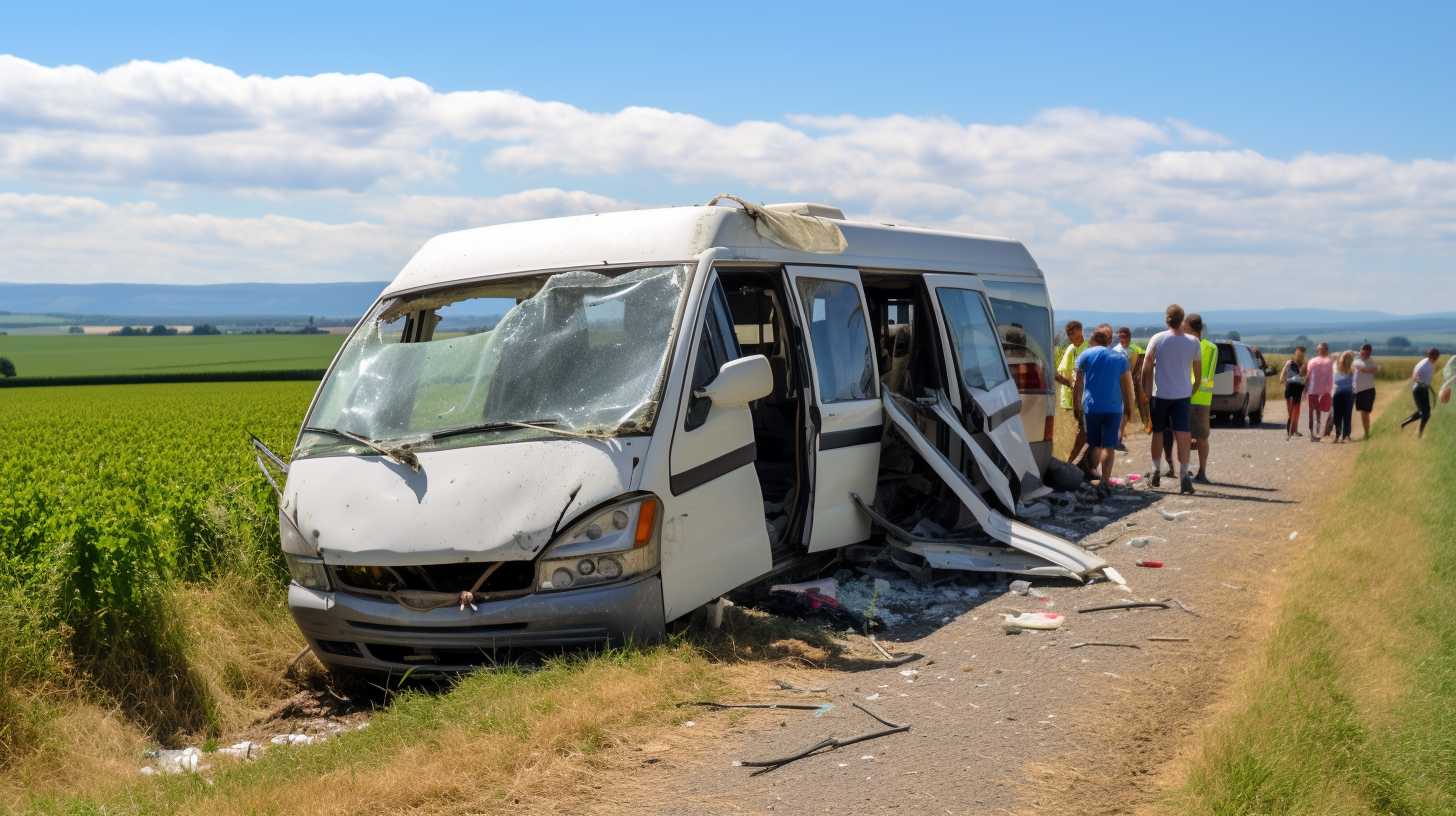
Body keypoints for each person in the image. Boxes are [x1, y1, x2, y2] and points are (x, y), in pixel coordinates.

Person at [1141, 304, 1203, 494]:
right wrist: (1192, 389)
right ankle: (1184, 475)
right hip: (1182, 394)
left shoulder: (1157, 339)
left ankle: (1155, 471)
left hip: (1160, 394)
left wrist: (1146, 391)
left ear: (1166, 319)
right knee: (1183, 434)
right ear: (1182, 320)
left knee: (1158, 433)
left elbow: (1146, 367)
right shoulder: (1193, 342)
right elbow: (1198, 374)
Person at [1073, 325, 1136, 494]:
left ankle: (1094, 475)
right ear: (1107, 342)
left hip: (1092, 407)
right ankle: (1105, 482)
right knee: (1109, 445)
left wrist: (1076, 406)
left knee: (1094, 444)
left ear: (1093, 340)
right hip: (1114, 408)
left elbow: (1078, 384)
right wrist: (1130, 407)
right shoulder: (1120, 358)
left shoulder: (1085, 355)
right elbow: (1126, 386)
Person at [1184, 314, 1218, 483]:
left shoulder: (1190, 346)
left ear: (1191, 328)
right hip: (1203, 398)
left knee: (1187, 436)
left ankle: (1190, 470)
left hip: (1190, 395)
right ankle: (1199, 471)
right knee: (1200, 437)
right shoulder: (1212, 347)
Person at [1055, 321, 1089, 469]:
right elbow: (1061, 374)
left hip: (1083, 398)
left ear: (1080, 331)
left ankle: (1078, 464)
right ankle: (1071, 464)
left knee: (1083, 433)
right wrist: (1071, 386)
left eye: (1072, 333)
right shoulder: (1070, 349)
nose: (1070, 337)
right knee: (1078, 434)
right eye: (1068, 334)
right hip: (1071, 399)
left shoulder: (1087, 347)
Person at [1112, 326, 1144, 451]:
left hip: (1129, 384)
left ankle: (1118, 436)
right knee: (1119, 411)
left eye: (1124, 336)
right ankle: (1116, 438)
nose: (1122, 339)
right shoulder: (1115, 350)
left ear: (1129, 337)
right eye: (1120, 336)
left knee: (1126, 411)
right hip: (1116, 385)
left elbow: (1135, 369)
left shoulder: (1133, 350)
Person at [1401, 348, 1441, 437]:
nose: (1436, 358)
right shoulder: (1424, 364)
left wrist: (1428, 386)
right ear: (1429, 355)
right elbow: (1414, 376)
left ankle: (1404, 424)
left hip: (1424, 389)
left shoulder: (1431, 363)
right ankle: (1419, 434)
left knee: (1423, 412)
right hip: (1418, 390)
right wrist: (1421, 383)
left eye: (1437, 356)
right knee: (1425, 414)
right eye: (1434, 356)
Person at [1303, 342, 1335, 441]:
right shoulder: (1328, 362)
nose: (1319, 351)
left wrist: (1305, 388)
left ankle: (1315, 434)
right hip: (1319, 391)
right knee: (1316, 413)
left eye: (1320, 349)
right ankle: (1315, 434)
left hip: (1318, 391)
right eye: (1319, 349)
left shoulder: (1313, 361)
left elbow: (1308, 376)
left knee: (1315, 413)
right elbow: (1309, 376)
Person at [1352, 343, 1380, 439]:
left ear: (1370, 352)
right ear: (1361, 351)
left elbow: (1375, 369)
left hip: (1368, 390)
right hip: (1356, 390)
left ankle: (1367, 433)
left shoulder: (1371, 361)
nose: (1366, 354)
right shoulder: (1356, 360)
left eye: (1368, 352)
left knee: (1365, 412)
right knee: (1359, 412)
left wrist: (1365, 370)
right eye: (1364, 351)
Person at [1281, 346, 1308, 439]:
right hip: (1290, 387)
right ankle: (1290, 430)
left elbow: (1305, 377)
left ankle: (1294, 430)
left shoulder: (1304, 365)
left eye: (1302, 354)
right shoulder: (1290, 363)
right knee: (1291, 410)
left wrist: (1306, 388)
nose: (1300, 355)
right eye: (1298, 353)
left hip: (1299, 388)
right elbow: (1284, 372)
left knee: (1296, 411)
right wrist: (1282, 379)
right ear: (1295, 353)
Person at [1331, 350, 1356, 443]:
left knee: (1347, 415)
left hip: (1348, 394)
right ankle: (1338, 435)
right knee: (1337, 416)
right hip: (1338, 394)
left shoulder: (1352, 369)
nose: (1345, 360)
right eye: (1344, 358)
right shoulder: (1335, 367)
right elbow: (1333, 355)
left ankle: (1346, 435)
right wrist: (1345, 353)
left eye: (1347, 358)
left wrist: (1347, 353)